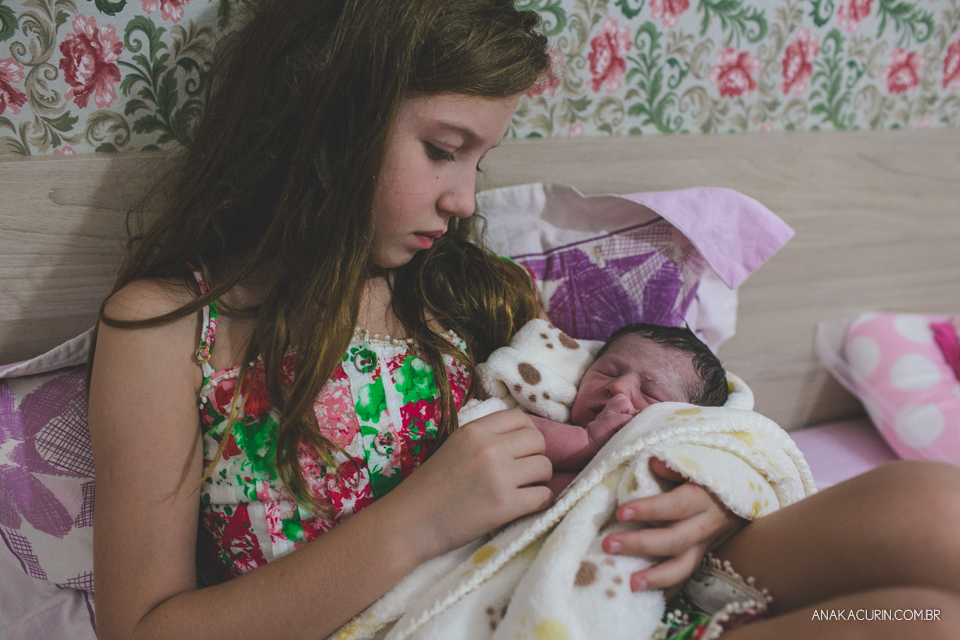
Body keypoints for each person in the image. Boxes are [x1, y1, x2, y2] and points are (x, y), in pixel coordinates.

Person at [85, 1, 960, 639]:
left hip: (590, 574)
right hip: (445, 623)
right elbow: (147, 629)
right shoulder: (169, 329)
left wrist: (709, 501)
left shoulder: (468, 291)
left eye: (480, 158)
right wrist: (423, 519)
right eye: (441, 149)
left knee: (933, 512)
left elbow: (633, 424)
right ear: (325, 122)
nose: (464, 199)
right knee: (921, 627)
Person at [526, 323, 729, 493]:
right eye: (608, 372)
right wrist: (586, 442)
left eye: (650, 393)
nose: (618, 386)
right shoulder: (549, 410)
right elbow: (510, 432)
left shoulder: (670, 466)